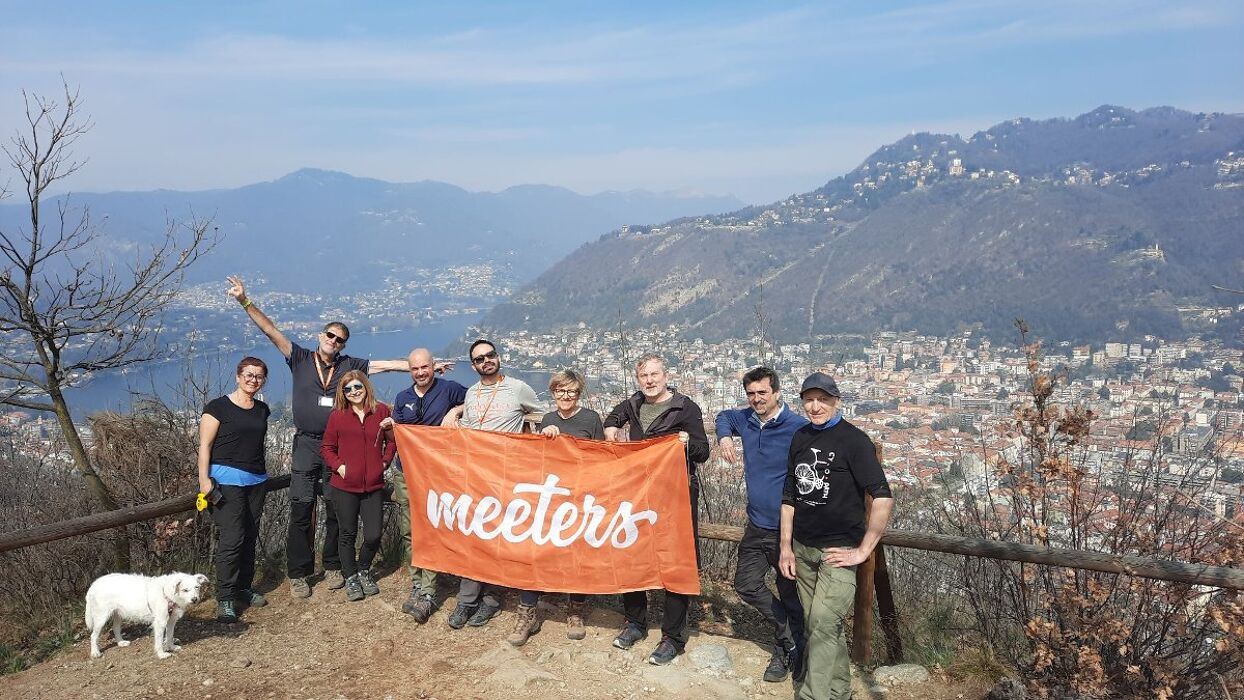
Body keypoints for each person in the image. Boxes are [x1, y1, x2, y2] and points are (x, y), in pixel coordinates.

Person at [226, 276, 441, 599]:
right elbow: (270, 331)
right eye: (330, 335)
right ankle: (299, 572)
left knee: (335, 508)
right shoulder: (300, 358)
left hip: (338, 448)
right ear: (321, 336)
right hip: (306, 443)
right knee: (301, 506)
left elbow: (387, 365)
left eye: (340, 339)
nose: (334, 341)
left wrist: (425, 368)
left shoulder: (348, 365)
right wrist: (245, 301)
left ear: (343, 345)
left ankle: (332, 565)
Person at [779, 372, 894, 700]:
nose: (815, 406)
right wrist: (786, 547)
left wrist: (863, 550)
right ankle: (840, 691)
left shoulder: (854, 441)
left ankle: (812, 695)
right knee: (820, 625)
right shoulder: (800, 437)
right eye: (809, 400)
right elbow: (790, 495)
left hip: (839, 549)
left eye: (823, 400)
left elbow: (882, 496)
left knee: (823, 621)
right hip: (803, 548)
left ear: (836, 401)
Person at [603, 353, 710, 666]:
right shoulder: (634, 403)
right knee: (632, 553)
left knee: (676, 560)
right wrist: (611, 427)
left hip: (675, 494)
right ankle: (635, 622)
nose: (649, 381)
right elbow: (614, 415)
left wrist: (686, 442)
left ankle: (673, 636)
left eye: (654, 375)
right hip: (639, 492)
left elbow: (703, 452)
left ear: (666, 376)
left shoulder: (685, 408)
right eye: (644, 376)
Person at [716, 366, 810, 683]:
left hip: (788, 528)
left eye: (762, 393)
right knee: (745, 584)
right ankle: (791, 638)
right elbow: (724, 416)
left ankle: (787, 653)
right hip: (756, 524)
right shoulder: (746, 419)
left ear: (777, 393)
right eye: (751, 393)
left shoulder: (797, 428)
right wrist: (724, 437)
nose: (756, 399)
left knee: (790, 593)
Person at [441, 339, 543, 631]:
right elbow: (472, 426)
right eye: (479, 359)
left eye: (490, 355)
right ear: (473, 365)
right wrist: (456, 412)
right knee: (473, 537)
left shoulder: (518, 388)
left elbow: (540, 415)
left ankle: (492, 598)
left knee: (500, 537)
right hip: (476, 476)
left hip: (508, 477)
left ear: (498, 357)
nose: (486, 361)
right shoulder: (472, 393)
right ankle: (467, 599)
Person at [507, 369, 606, 646]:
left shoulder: (591, 419)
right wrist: (545, 436)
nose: (566, 396)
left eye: (571, 391)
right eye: (560, 391)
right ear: (553, 393)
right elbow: (541, 459)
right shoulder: (548, 419)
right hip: (551, 497)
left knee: (577, 553)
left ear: (579, 393)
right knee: (536, 551)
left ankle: (575, 610)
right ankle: (527, 612)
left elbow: (601, 457)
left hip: (580, 497)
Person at [381, 347, 468, 623]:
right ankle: (417, 583)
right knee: (409, 530)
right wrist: (389, 427)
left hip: (434, 473)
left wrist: (455, 410)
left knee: (430, 529)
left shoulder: (449, 389)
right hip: (405, 471)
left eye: (425, 367)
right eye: (415, 368)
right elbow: (398, 435)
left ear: (434, 366)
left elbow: (475, 399)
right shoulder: (402, 397)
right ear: (410, 371)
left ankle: (429, 592)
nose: (420, 373)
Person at [197, 357, 272, 623]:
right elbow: (205, 445)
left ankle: (243, 587)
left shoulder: (262, 409)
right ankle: (226, 597)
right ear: (238, 376)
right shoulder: (217, 407)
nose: (253, 380)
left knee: (250, 536)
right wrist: (204, 480)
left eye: (259, 376)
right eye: (249, 375)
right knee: (232, 539)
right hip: (226, 480)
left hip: (256, 480)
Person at [320, 371, 396, 602]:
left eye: (357, 387)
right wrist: (340, 467)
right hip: (344, 486)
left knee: (373, 535)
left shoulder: (381, 411)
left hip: (373, 485)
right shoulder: (337, 416)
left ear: (366, 387)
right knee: (347, 534)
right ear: (343, 393)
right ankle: (351, 576)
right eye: (348, 389)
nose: (354, 392)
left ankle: (363, 569)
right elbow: (327, 448)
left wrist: (384, 463)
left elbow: (392, 442)